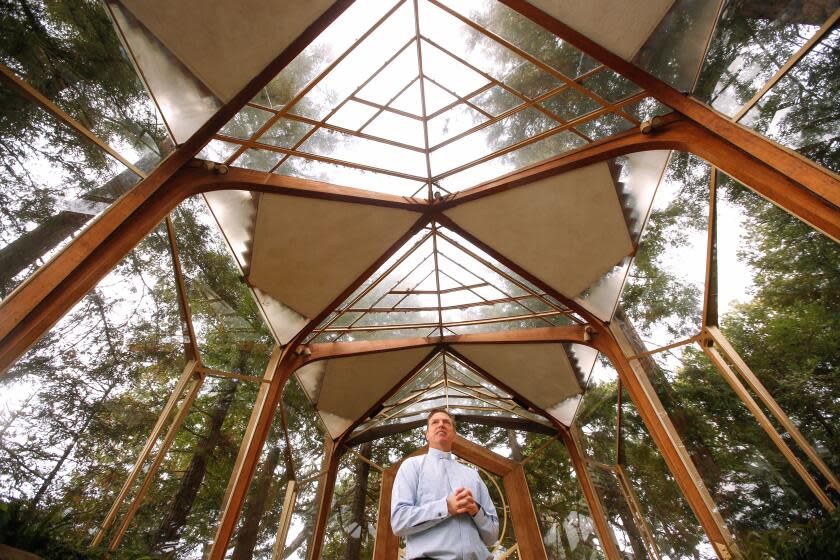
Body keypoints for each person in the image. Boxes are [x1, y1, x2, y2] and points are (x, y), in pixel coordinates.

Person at [390, 408, 499, 560]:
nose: (441, 425)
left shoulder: (473, 475)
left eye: (446, 422)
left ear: (454, 434)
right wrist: (446, 507)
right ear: (427, 434)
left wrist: (476, 511)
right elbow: (399, 522)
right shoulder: (412, 466)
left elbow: (492, 537)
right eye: (435, 422)